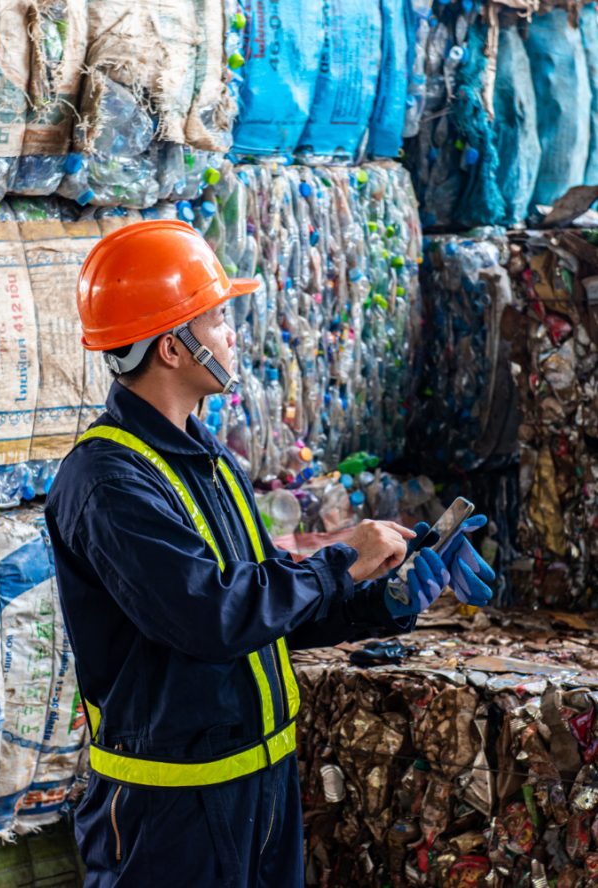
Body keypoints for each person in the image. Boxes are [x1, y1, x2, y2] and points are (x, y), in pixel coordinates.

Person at [45, 220, 494, 887]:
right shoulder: (109, 483)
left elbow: (265, 606)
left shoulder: (209, 459)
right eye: (218, 318)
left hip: (259, 785)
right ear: (173, 347)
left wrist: (382, 598)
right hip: (175, 808)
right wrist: (341, 557)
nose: (232, 335)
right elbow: (210, 618)